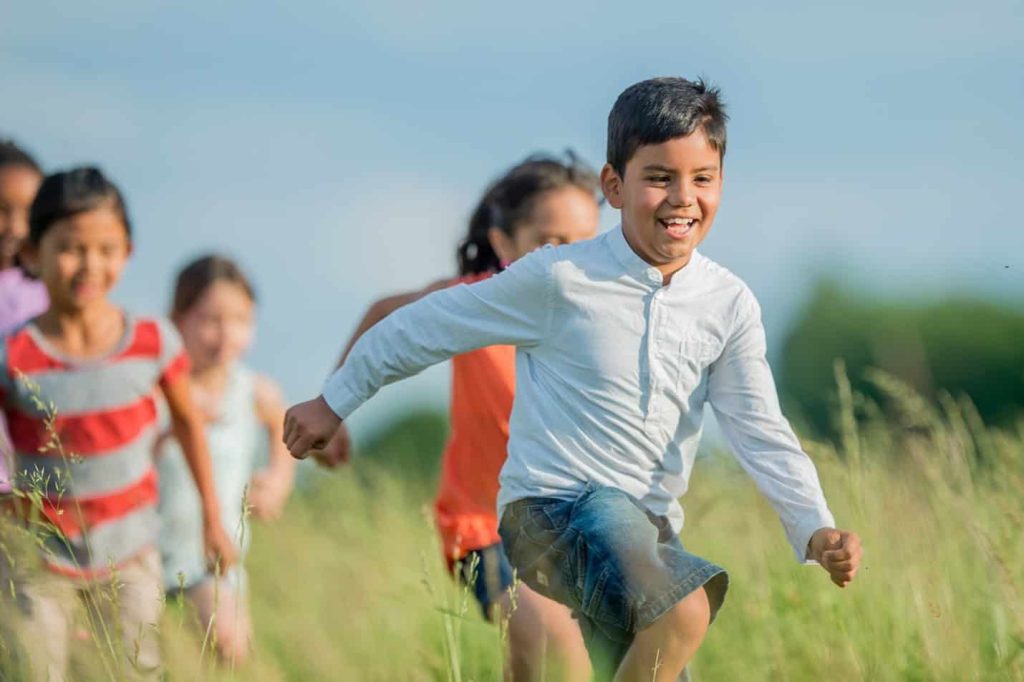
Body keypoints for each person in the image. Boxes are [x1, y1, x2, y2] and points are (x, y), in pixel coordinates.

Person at [283, 77, 863, 681]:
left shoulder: (728, 304)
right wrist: (334, 400)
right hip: (553, 510)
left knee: (662, 651)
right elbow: (426, 324)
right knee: (686, 608)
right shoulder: (560, 278)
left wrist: (813, 526)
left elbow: (760, 430)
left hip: (646, 532)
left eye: (702, 178)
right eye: (659, 177)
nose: (682, 198)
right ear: (614, 186)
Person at [316, 154, 599, 681]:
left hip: (574, 527)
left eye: (584, 241)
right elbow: (384, 313)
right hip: (482, 528)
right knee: (548, 637)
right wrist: (334, 408)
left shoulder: (606, 315)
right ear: (503, 242)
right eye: (549, 240)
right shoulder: (473, 302)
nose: (568, 258)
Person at [0, 166, 236, 681]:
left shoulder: (151, 342)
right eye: (69, 248)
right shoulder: (13, 354)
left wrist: (212, 520)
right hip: (38, 563)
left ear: (127, 252)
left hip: (130, 555)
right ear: (32, 254)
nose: (89, 265)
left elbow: (190, 424)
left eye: (107, 249)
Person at [157, 254, 295, 665]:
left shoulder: (252, 389)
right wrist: (173, 426)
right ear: (176, 319)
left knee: (229, 647)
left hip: (216, 557)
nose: (225, 335)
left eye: (240, 320)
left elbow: (284, 426)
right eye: (209, 319)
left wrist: (278, 479)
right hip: (146, 549)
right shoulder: (157, 388)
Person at [0, 140, 47, 494]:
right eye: (2, 209)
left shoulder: (48, 293)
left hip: (34, 483)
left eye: (28, 213)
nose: (15, 227)